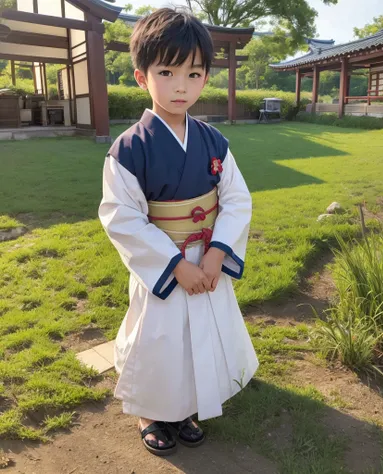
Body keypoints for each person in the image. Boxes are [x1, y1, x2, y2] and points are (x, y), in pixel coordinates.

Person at [98, 7, 258, 457]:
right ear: (140, 76)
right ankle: (151, 412)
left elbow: (236, 199)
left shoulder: (214, 142)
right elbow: (121, 217)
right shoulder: (129, 149)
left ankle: (185, 406)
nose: (181, 85)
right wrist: (172, 265)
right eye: (166, 72)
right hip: (164, 265)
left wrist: (216, 254)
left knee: (199, 335)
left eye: (194, 73)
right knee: (159, 339)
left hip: (206, 260)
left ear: (206, 77)